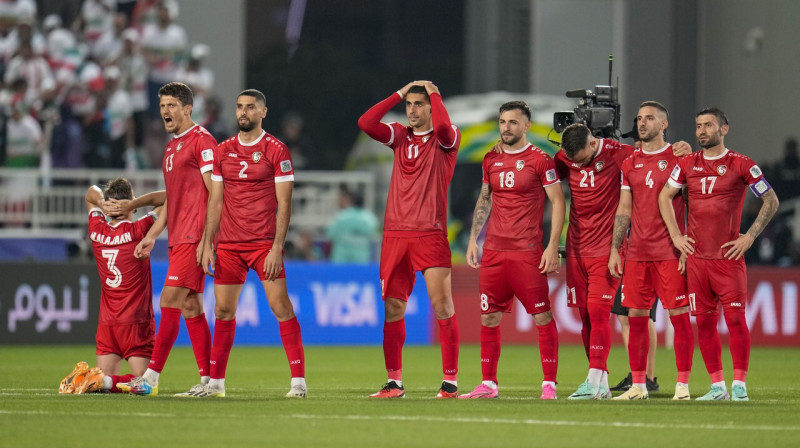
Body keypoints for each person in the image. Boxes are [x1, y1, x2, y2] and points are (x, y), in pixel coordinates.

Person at [556, 123, 690, 400]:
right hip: (576, 249)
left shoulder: (623, 154)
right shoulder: (564, 159)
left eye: (580, 159)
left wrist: (683, 149)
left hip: (609, 249)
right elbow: (539, 174)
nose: (576, 165)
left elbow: (655, 154)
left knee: (601, 312)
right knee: (585, 317)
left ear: (593, 144)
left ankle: (600, 379)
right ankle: (601, 380)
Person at [659, 107, 779, 401]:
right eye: (699, 125)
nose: (702, 131)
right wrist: (677, 236)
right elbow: (665, 196)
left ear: (724, 129)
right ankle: (718, 387)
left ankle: (739, 386)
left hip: (728, 259)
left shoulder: (741, 164)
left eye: (709, 125)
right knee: (704, 323)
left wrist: (749, 236)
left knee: (736, 320)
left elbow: (771, 199)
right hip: (697, 260)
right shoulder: (687, 163)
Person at [108, 82, 216, 396]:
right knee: (192, 307)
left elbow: (216, 192)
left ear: (188, 108)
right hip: (177, 235)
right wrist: (153, 235)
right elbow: (173, 199)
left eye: (171, 105)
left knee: (169, 300)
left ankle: (151, 379)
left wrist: (208, 240)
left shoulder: (203, 141)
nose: (165, 111)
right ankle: (210, 381)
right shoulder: (171, 148)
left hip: (194, 235)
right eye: (162, 106)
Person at [198, 89, 307, 398]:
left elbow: (284, 204)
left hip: (262, 244)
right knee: (222, 310)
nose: (243, 112)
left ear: (263, 112)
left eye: (250, 107)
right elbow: (215, 201)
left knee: (280, 306)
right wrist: (209, 243)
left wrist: (276, 247)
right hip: (230, 245)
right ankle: (216, 384)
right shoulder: (223, 150)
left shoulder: (276, 150)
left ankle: (298, 383)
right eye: (239, 107)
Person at [358, 81, 461, 398]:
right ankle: (394, 382)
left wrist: (436, 93)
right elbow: (366, 123)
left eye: (420, 104)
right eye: (410, 104)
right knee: (392, 309)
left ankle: (450, 382)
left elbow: (442, 125)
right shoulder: (400, 136)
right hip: (395, 235)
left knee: (442, 305)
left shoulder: (447, 138)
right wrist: (398, 93)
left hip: (429, 233)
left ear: (431, 106)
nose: (413, 110)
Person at [459, 101, 565, 400]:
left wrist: (551, 246)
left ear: (526, 126)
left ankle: (549, 384)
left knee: (542, 316)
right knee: (488, 318)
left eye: (513, 122)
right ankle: (488, 384)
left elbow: (558, 202)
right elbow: (484, 199)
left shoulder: (540, 160)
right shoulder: (490, 158)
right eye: (503, 122)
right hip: (493, 250)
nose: (507, 127)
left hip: (527, 251)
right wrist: (472, 240)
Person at [607, 101, 695, 400]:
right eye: (639, 118)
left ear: (664, 124)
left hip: (670, 252)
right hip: (637, 254)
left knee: (679, 315)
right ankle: (639, 386)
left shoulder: (680, 157)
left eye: (650, 118)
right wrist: (616, 249)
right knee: (636, 317)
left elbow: (694, 206)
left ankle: (682, 385)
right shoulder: (629, 162)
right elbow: (624, 209)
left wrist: (687, 245)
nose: (642, 123)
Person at [59, 179, 164, 394]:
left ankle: (99, 381)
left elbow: (91, 192)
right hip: (136, 323)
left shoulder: (96, 229)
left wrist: (101, 202)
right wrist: (135, 204)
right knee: (145, 384)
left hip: (107, 323)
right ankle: (104, 382)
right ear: (130, 203)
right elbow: (171, 198)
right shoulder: (139, 230)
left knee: (101, 384)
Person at [609, 117, 660, 394]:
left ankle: (646, 377)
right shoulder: (633, 167)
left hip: (653, 251)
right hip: (635, 252)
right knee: (627, 316)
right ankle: (639, 374)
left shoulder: (665, 162)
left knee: (640, 317)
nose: (636, 144)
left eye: (640, 139)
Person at [326, 185, 379, 263]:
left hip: (341, 258)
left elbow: (330, 235)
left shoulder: (341, 216)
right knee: (360, 275)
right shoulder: (370, 218)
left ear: (352, 202)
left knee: (340, 274)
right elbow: (375, 235)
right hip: (361, 257)